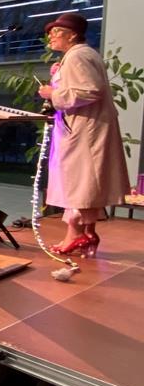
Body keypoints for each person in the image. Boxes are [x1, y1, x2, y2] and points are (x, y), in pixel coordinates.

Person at [37, 13, 128, 256]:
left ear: (73, 35)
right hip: (83, 129)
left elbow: (90, 90)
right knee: (84, 181)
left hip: (85, 132)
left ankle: (77, 234)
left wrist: (51, 94)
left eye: (56, 32)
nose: (51, 37)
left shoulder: (78, 55)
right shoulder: (78, 56)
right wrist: (59, 78)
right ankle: (86, 233)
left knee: (80, 182)